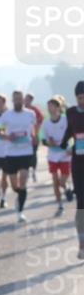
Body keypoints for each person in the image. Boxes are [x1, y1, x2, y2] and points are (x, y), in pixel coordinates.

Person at [1, 90, 37, 223]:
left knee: (23, 180)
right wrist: (7, 136)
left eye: (19, 99)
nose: (17, 101)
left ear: (23, 100)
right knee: (15, 186)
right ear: (12, 100)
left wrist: (33, 136)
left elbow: (32, 128)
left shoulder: (30, 114)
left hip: (25, 152)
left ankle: (20, 212)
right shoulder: (6, 115)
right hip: (11, 153)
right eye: (15, 99)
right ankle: (19, 195)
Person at [59, 80, 84, 260]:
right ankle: (82, 244)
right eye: (79, 98)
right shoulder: (71, 112)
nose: (81, 101)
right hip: (78, 163)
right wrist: (64, 140)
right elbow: (69, 130)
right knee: (81, 204)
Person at [41, 95, 72, 216]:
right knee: (55, 181)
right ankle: (60, 205)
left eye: (52, 106)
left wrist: (70, 146)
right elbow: (43, 140)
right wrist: (49, 142)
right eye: (48, 106)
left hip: (65, 154)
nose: (49, 108)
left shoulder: (65, 119)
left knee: (62, 181)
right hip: (52, 155)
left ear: (58, 107)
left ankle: (67, 188)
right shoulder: (46, 123)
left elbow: (73, 132)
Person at [24, 92, 45, 182]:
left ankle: (33, 171)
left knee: (33, 154)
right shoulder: (21, 109)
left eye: (29, 99)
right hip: (24, 138)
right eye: (26, 99)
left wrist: (36, 132)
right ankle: (26, 171)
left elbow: (41, 119)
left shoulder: (35, 110)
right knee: (25, 155)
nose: (27, 101)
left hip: (34, 136)